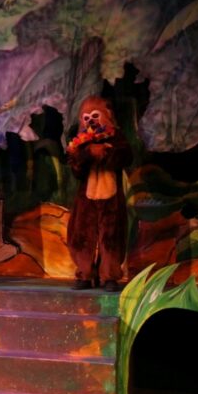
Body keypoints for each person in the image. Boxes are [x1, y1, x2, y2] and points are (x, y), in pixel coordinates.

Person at [66, 95, 133, 292]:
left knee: (111, 237)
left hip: (110, 197)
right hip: (86, 198)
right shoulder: (80, 141)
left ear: (107, 115)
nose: (91, 121)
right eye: (86, 118)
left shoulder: (116, 136)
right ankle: (85, 274)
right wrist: (88, 152)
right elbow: (76, 170)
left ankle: (109, 276)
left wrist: (105, 152)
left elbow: (126, 157)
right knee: (81, 236)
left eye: (95, 116)